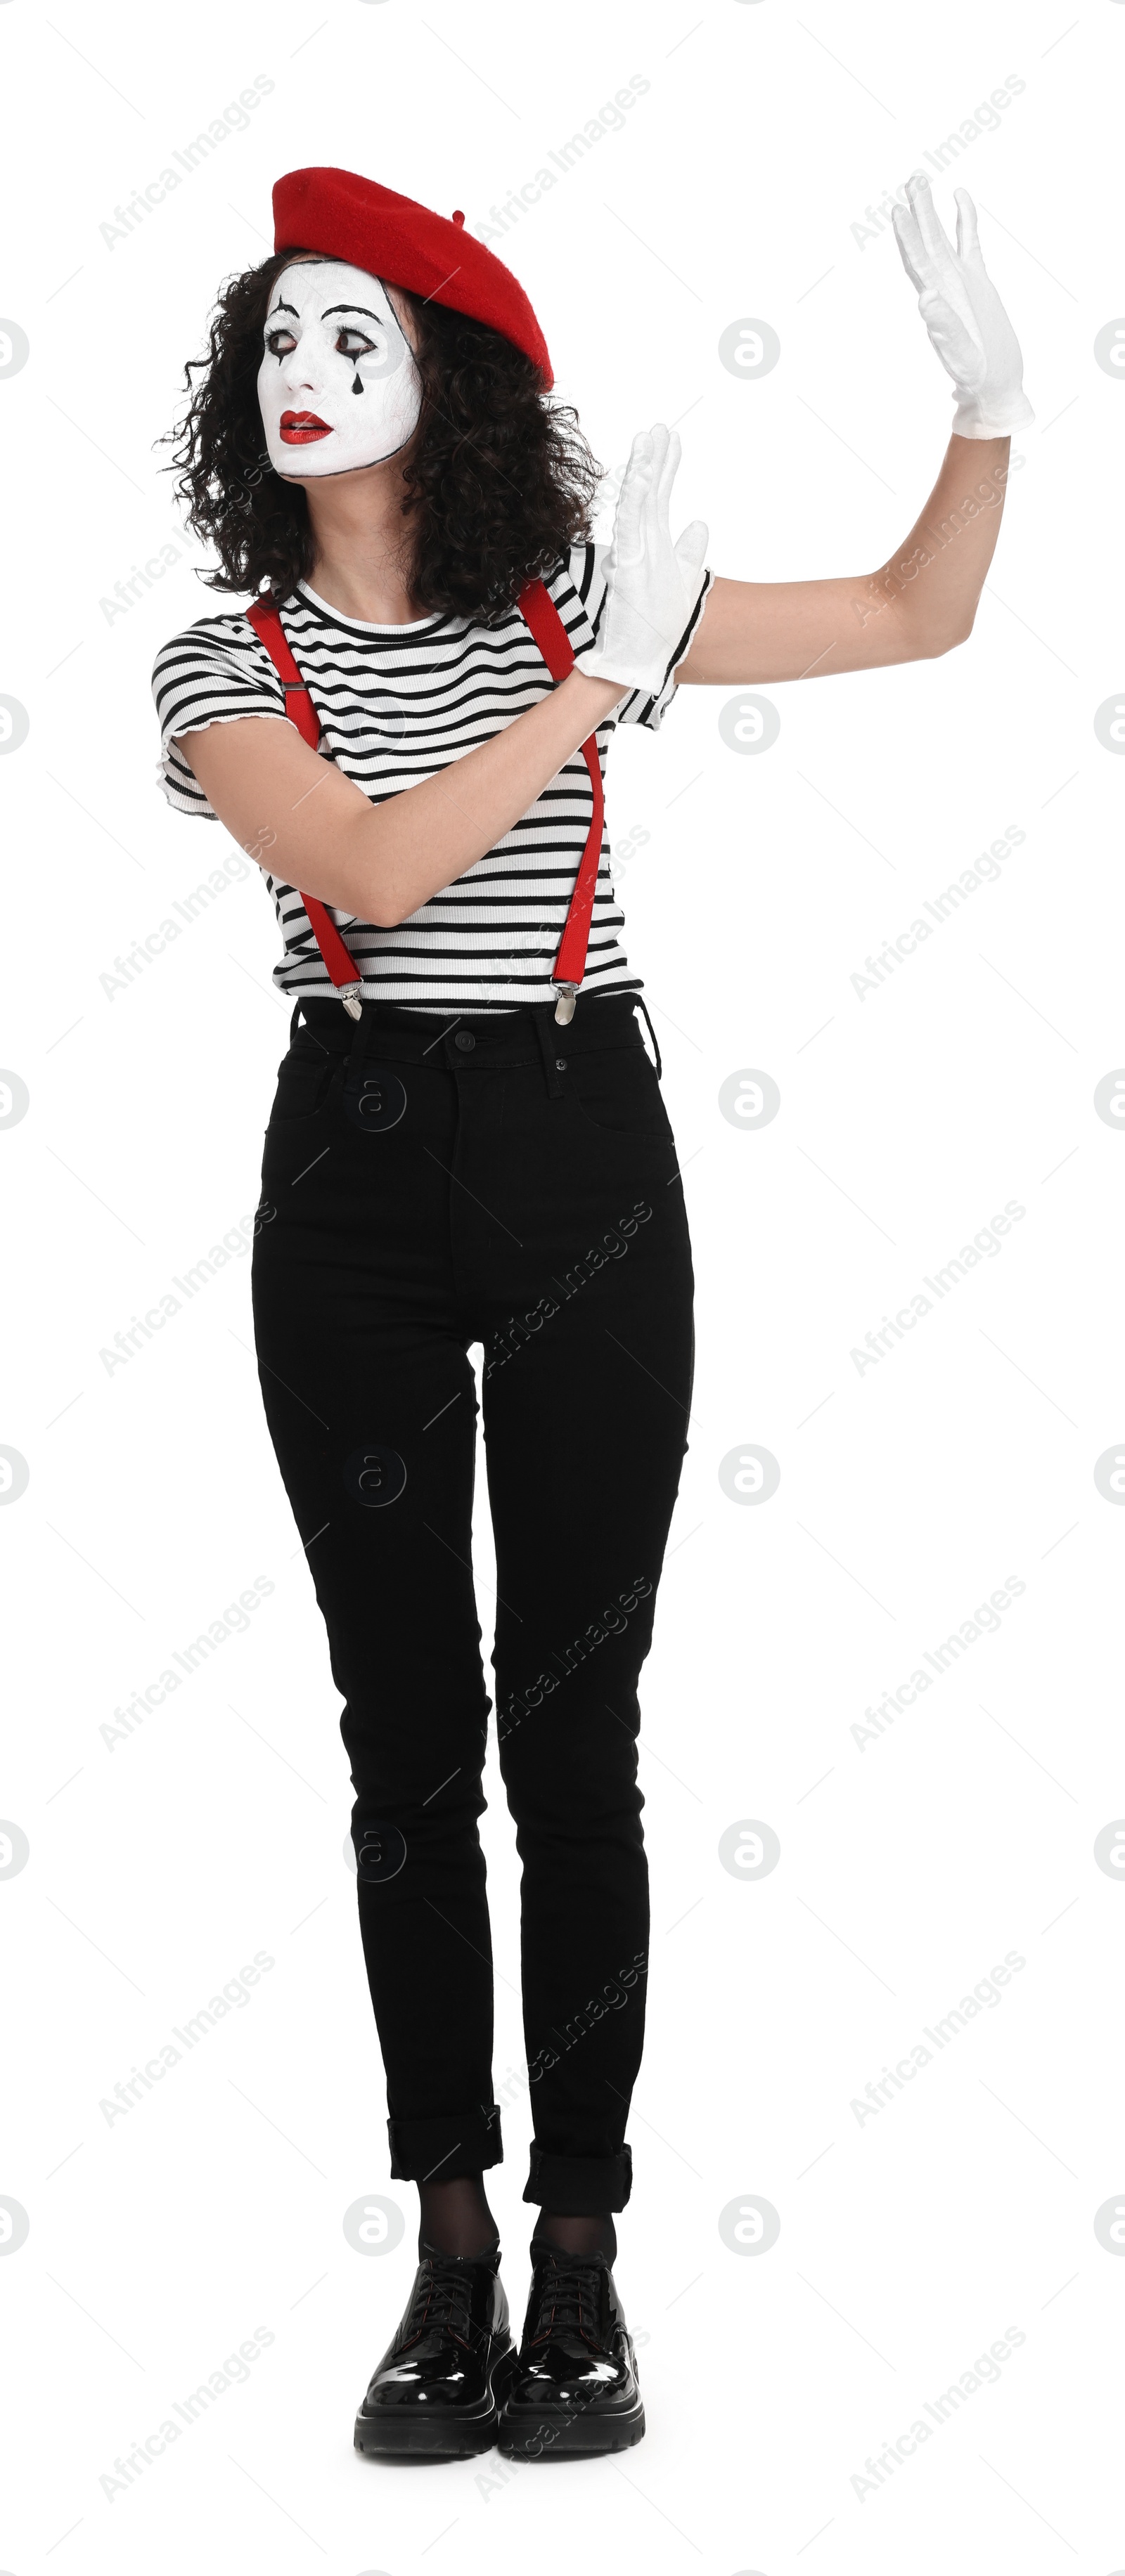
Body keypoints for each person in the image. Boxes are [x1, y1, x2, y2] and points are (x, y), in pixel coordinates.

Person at [152, 164, 1031, 2462]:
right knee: (403, 1736)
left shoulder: (572, 597)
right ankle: (444, 2244)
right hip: (342, 1172)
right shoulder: (220, 657)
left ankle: (583, 2249)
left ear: (446, 383)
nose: (310, 371)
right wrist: (609, 686)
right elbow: (367, 866)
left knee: (580, 1731)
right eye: (281, 340)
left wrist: (992, 406)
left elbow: (919, 617)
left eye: (360, 335)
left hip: (576, 1166)